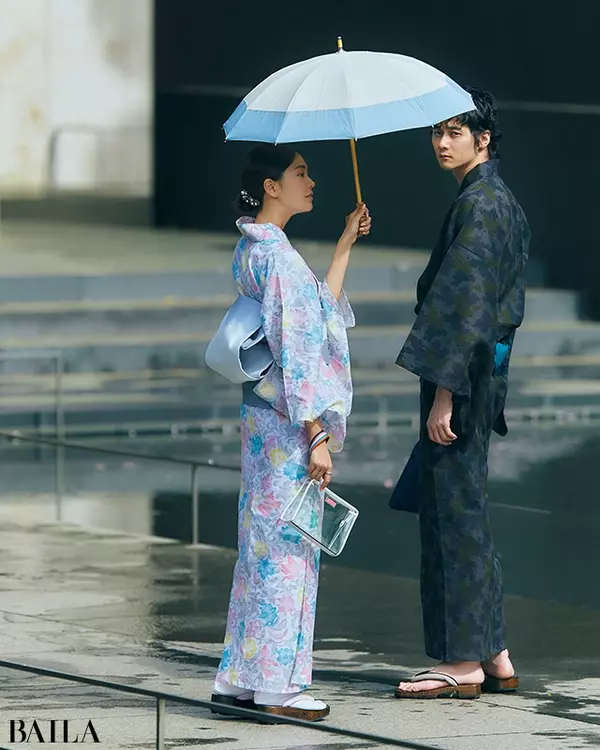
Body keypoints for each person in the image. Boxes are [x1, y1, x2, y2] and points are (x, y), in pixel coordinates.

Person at [211, 144, 371, 720]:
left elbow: (311, 312)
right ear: (272, 187)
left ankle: (239, 676)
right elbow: (300, 348)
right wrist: (317, 434)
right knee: (289, 549)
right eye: (299, 173)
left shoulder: (253, 250)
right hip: (287, 425)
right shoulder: (277, 259)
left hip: (262, 419)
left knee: (259, 544)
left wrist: (344, 245)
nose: (310, 181)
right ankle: (278, 685)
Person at [394, 88, 530, 699]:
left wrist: (445, 393)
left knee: (453, 519)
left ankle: (462, 660)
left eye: (455, 131)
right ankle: (493, 649)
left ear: (484, 138)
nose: (441, 142)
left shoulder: (482, 206)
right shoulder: (497, 201)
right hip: (478, 374)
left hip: (462, 378)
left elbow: (465, 309)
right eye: (436, 132)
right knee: (464, 509)